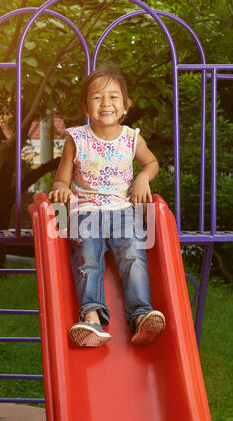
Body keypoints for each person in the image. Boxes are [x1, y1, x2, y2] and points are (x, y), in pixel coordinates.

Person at [49, 64, 165, 347]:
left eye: (113, 97)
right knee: (88, 258)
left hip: (121, 211)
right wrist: (62, 190)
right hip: (84, 211)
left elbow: (151, 163)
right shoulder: (76, 138)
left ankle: (140, 316)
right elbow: (60, 182)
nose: (106, 103)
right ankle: (91, 319)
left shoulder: (131, 138)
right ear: (85, 105)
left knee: (134, 255)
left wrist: (142, 178)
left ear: (125, 105)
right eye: (97, 97)